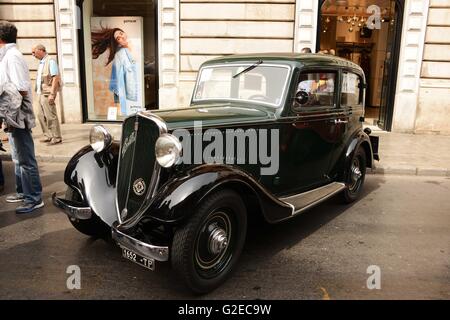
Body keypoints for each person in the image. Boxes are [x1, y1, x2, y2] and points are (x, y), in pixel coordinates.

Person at [0, 21, 44, 214]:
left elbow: (21, 89)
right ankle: (22, 192)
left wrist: (9, 112)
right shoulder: (8, 55)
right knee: (18, 157)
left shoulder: (12, 56)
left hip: (17, 114)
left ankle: (33, 198)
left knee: (25, 158)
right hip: (13, 114)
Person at [91, 27, 138, 116]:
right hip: (127, 90)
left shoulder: (133, 45)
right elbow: (119, 77)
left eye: (121, 33)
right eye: (118, 38)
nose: (122, 37)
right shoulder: (121, 53)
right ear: (117, 42)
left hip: (132, 88)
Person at [32, 44, 62, 145]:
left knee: (51, 116)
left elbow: (55, 77)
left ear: (41, 50)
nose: (33, 55)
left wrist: (52, 94)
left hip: (48, 93)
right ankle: (48, 135)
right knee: (40, 115)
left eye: (34, 52)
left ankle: (56, 137)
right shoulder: (41, 63)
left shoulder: (51, 61)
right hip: (40, 93)